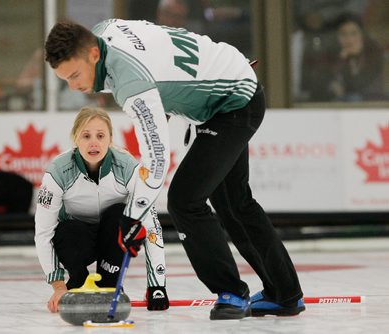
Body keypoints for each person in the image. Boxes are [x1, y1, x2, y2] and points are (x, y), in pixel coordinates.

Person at [44, 19, 304, 320]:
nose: (74, 87)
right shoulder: (102, 30)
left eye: (75, 75)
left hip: (234, 101)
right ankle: (285, 295)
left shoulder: (130, 82)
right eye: (65, 80)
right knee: (235, 203)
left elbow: (156, 159)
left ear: (92, 54)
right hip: (229, 82)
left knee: (185, 199)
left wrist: (133, 216)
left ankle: (231, 292)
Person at [34, 107, 169, 313]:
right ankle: (77, 282)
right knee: (67, 230)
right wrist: (58, 286)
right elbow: (43, 233)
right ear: (75, 138)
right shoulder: (57, 172)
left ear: (110, 139)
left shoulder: (128, 167)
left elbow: (151, 224)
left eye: (100, 136)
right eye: (86, 136)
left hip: (112, 240)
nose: (93, 143)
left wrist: (156, 286)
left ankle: (110, 283)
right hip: (79, 242)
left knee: (119, 214)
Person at [327, 13, 384, 101]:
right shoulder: (332, 54)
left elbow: (361, 87)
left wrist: (355, 58)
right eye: (343, 34)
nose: (349, 39)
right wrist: (341, 59)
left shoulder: (373, 54)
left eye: (354, 33)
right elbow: (325, 86)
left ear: (362, 34)